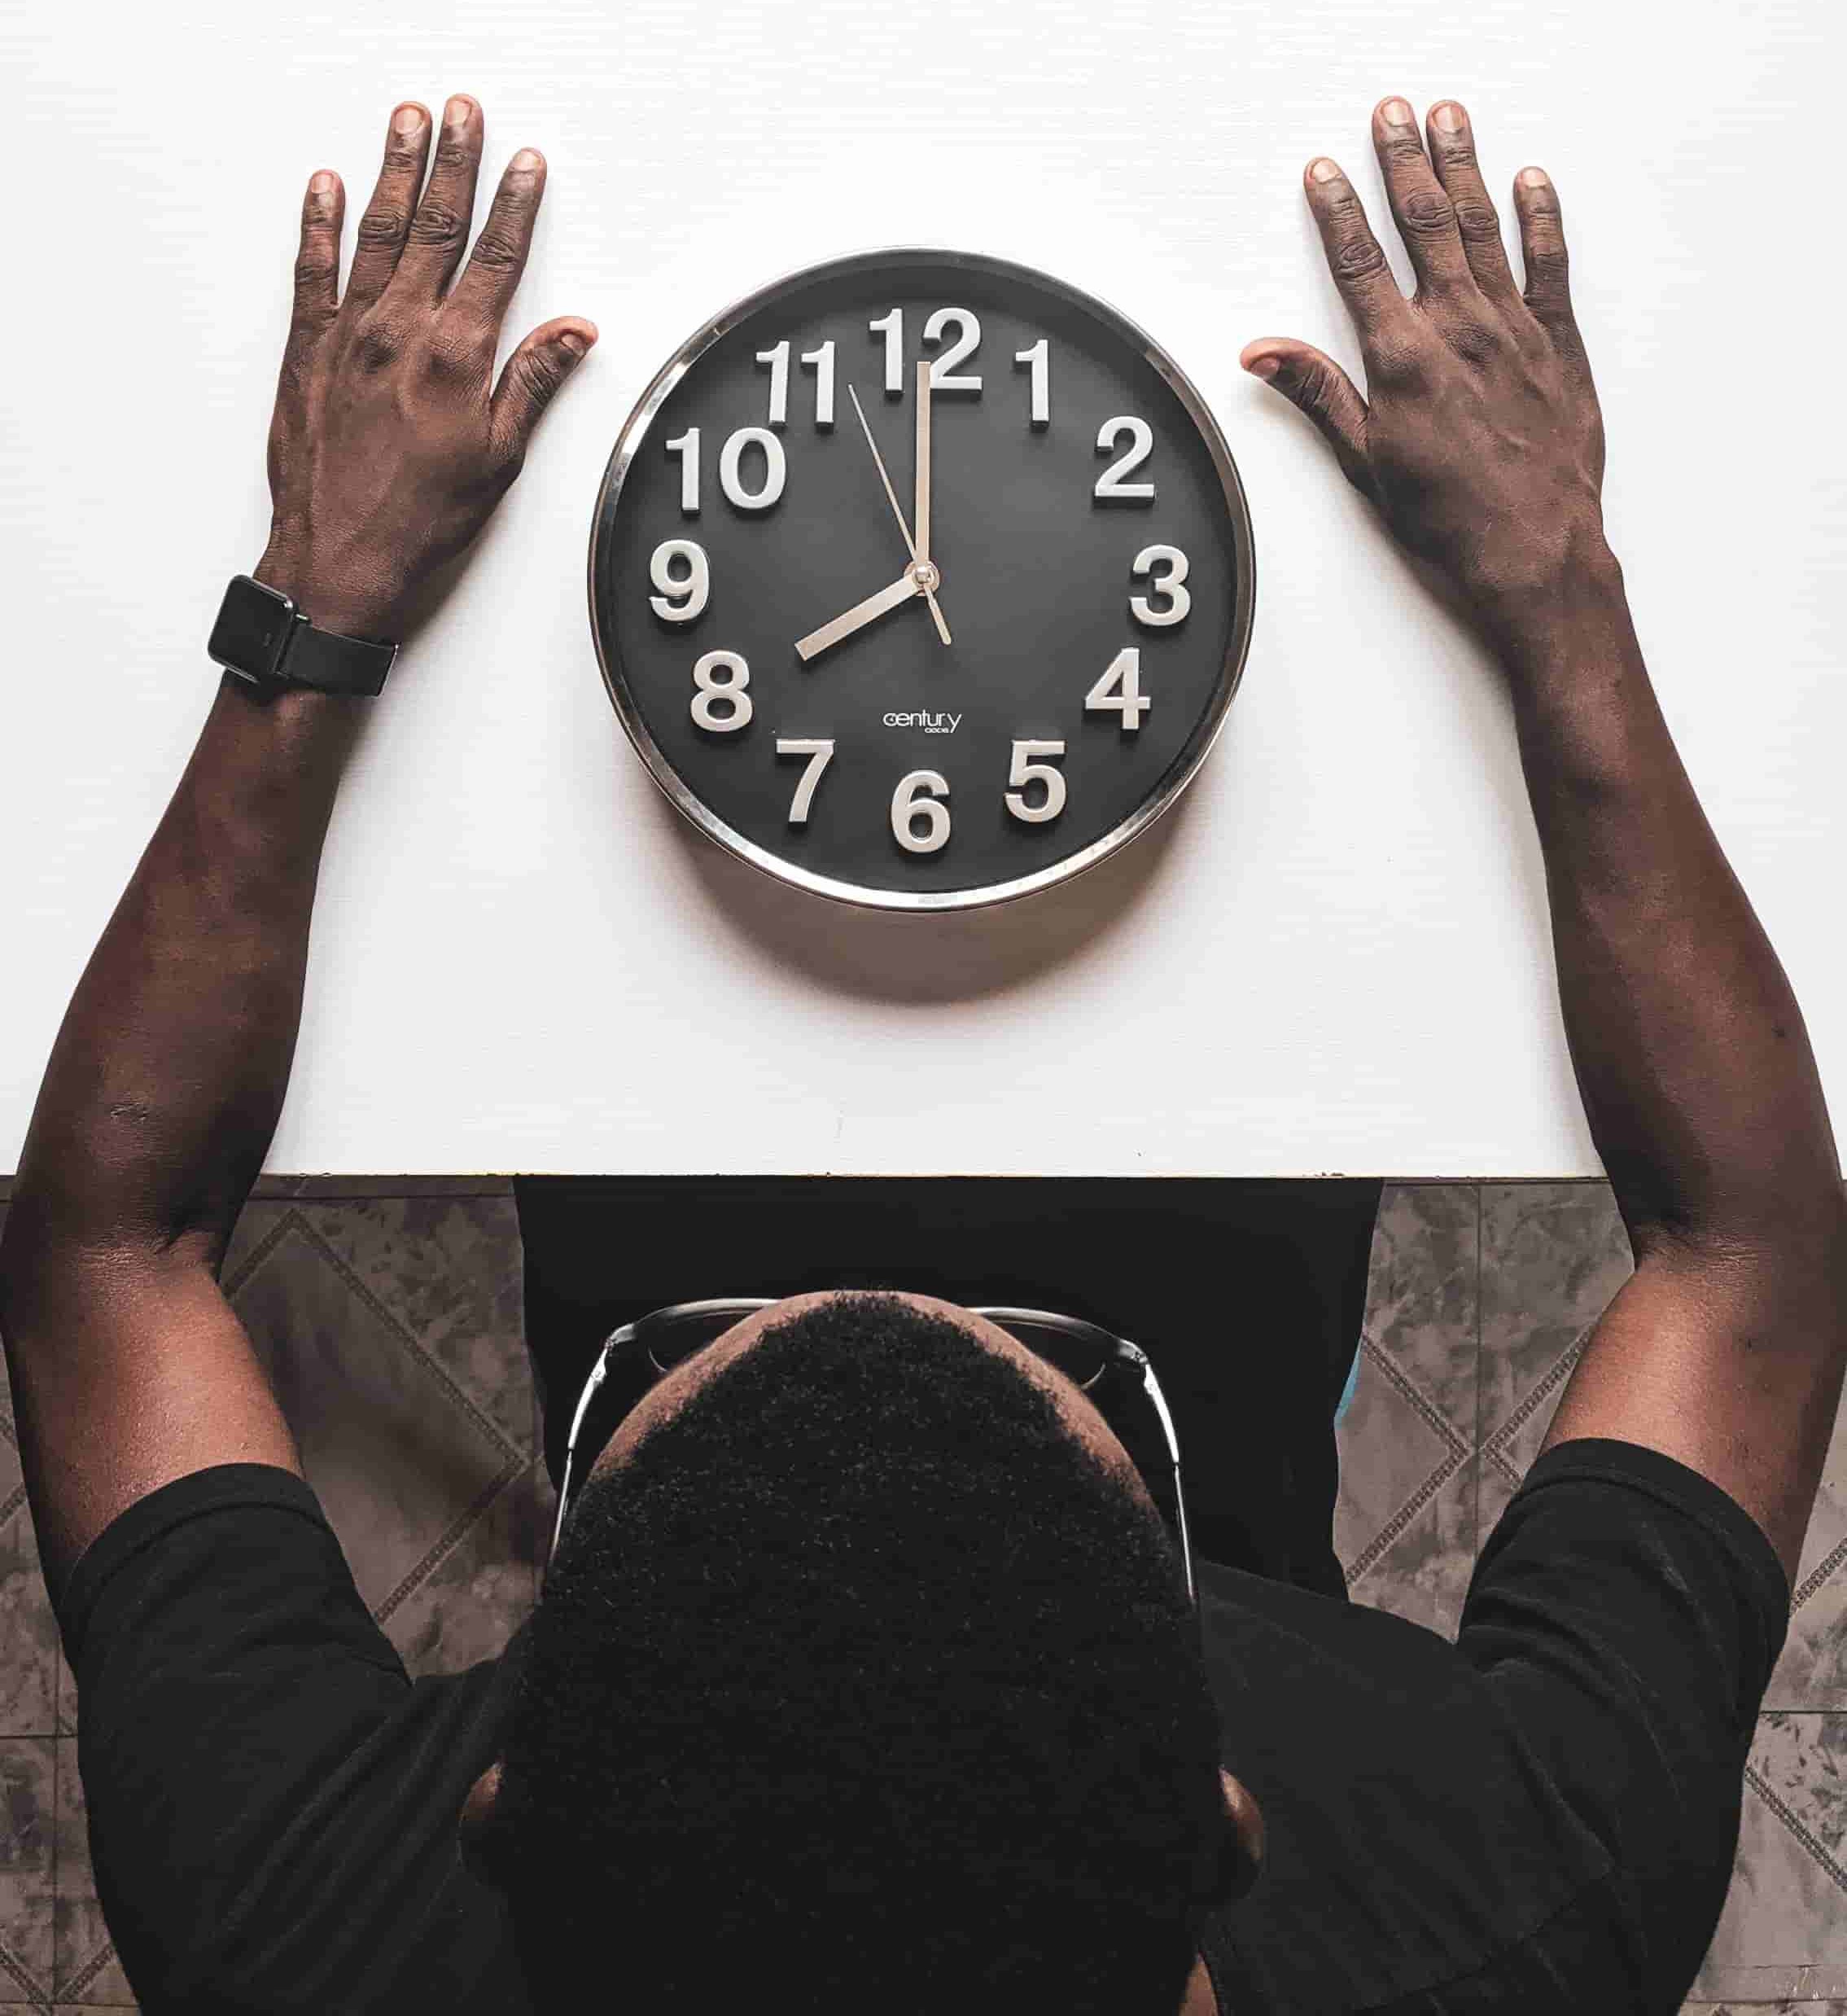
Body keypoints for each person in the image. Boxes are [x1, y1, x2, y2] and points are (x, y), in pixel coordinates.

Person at [0, 85, 1839, 2016]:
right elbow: (1752, 1246)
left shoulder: (320, 1932)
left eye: (726, 1391)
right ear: (1229, 1820)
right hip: (1224, 1284)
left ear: (495, 1805)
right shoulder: (1505, 1904)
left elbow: (106, 1245)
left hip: (669, 1138)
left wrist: (311, 605)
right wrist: (1559, 594)